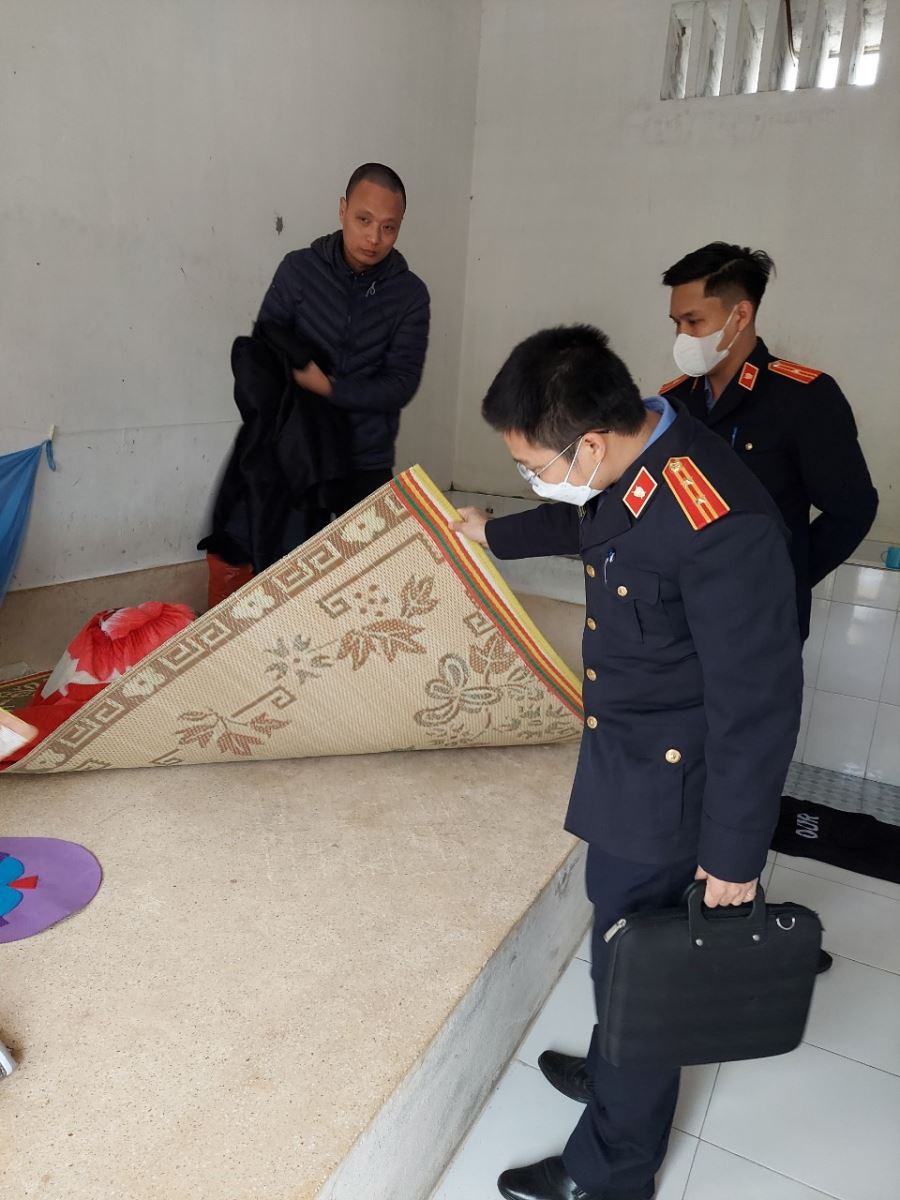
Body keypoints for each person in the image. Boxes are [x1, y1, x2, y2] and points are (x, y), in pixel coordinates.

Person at [451, 325, 802, 1200]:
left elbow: (757, 704)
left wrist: (733, 857)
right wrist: (493, 532)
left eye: (533, 464)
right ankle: (617, 1073)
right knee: (617, 940)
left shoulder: (717, 521)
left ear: (590, 444)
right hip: (629, 762)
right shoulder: (639, 455)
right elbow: (589, 520)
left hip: (676, 790)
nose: (534, 478)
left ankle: (613, 1168)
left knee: (641, 965)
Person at [659, 242, 878, 641]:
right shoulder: (674, 402)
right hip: (679, 617)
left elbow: (853, 510)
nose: (681, 336)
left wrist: (781, 578)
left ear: (740, 315)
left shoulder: (802, 397)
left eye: (693, 321)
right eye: (676, 323)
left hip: (760, 627)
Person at [257, 162, 431, 512]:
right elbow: (262, 349)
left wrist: (329, 388)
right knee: (291, 547)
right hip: (297, 449)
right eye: (363, 220)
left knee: (372, 548)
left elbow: (401, 385)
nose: (374, 238)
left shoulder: (410, 295)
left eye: (389, 227)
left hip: (366, 458)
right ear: (342, 210)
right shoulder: (298, 270)